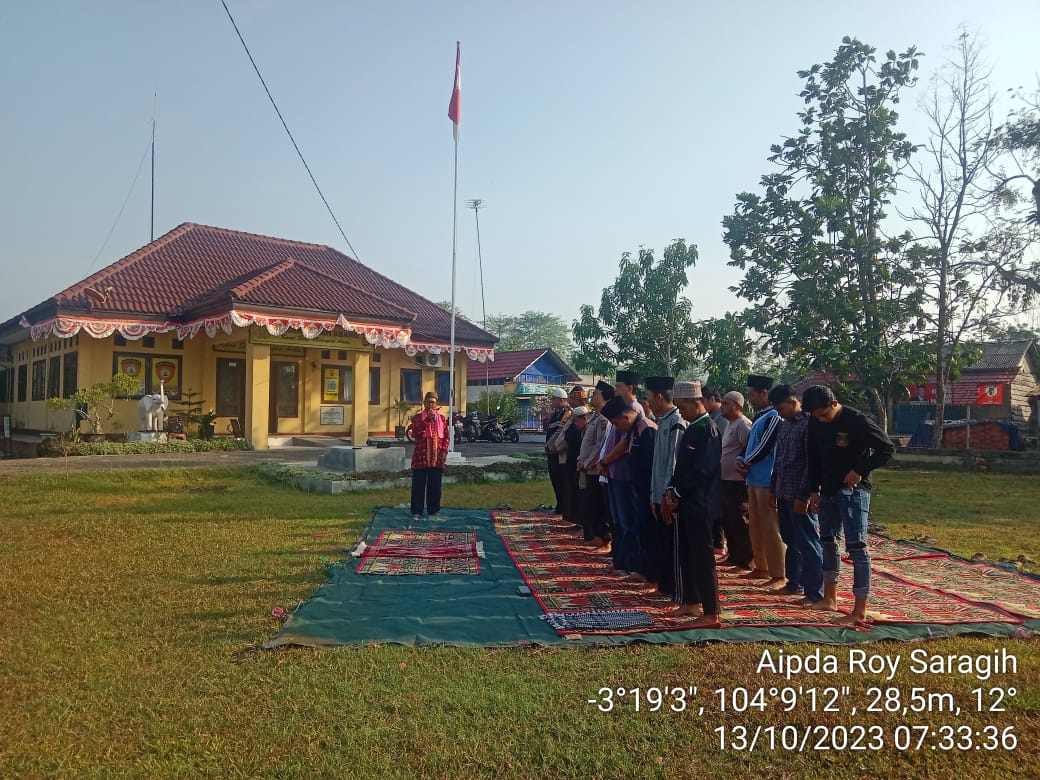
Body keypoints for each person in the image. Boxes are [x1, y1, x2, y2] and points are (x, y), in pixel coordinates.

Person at [802, 384, 895, 625]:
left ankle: (859, 610)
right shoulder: (814, 422)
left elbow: (887, 448)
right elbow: (812, 456)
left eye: (824, 415)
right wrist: (813, 490)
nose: (821, 420)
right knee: (828, 542)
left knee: (857, 548)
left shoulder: (857, 421)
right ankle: (829, 598)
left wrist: (859, 471)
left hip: (853, 491)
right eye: (817, 417)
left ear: (834, 404)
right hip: (827, 490)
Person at [661, 381, 723, 628]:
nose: (681, 411)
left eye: (683, 407)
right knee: (687, 553)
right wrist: (671, 490)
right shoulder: (692, 428)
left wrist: (676, 492)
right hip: (686, 502)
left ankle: (711, 612)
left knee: (702, 556)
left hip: (701, 503)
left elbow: (702, 470)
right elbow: (682, 466)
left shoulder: (708, 430)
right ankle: (690, 601)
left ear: (697, 403)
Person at [767, 384, 823, 603]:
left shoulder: (810, 425)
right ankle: (795, 583)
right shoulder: (785, 425)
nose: (779, 414)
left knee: (808, 541)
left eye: (781, 409)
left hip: (800, 494)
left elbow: (811, 465)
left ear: (793, 402)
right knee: (790, 539)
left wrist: (805, 495)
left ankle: (814, 592)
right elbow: (779, 460)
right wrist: (773, 489)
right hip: (783, 490)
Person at [603, 394, 658, 586]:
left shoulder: (647, 430)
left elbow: (652, 465)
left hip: (649, 492)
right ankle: (640, 569)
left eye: (617, 424)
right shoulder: (634, 430)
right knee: (637, 529)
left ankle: (650, 573)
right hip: (638, 489)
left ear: (625, 418)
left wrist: (649, 491)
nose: (618, 429)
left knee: (646, 532)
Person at [737, 374, 785, 589]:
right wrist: (741, 459)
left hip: (767, 479)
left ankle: (779, 574)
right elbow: (748, 445)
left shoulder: (775, 416)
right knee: (755, 526)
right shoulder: (758, 417)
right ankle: (761, 567)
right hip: (754, 478)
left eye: (752, 395)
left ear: (765, 393)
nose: (750, 400)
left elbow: (765, 446)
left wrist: (746, 461)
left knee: (770, 527)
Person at [599, 371, 643, 575]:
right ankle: (620, 560)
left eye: (618, 386)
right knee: (617, 520)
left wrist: (605, 461)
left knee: (627, 521)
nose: (615, 390)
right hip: (614, 472)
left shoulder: (633, 410)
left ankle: (630, 564)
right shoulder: (618, 409)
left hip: (624, 474)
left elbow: (625, 444)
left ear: (630, 388)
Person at [647, 376, 685, 596]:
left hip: (668, 497)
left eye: (650, 396)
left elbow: (673, 463)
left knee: (671, 545)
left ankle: (672, 588)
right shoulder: (663, 420)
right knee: (661, 542)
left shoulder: (676, 422)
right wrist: (654, 492)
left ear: (659, 397)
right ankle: (664, 585)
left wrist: (666, 495)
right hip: (658, 494)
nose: (648, 401)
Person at [718, 391, 754, 573]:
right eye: (722, 403)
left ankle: (745, 561)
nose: (721, 406)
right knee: (729, 520)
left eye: (726, 403)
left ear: (738, 406)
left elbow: (749, 449)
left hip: (738, 482)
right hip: (726, 480)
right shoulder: (729, 424)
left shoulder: (743, 424)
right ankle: (733, 555)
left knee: (740, 521)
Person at [578, 381, 613, 550]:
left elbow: (600, 445)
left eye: (596, 394)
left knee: (598, 506)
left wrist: (587, 463)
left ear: (604, 398)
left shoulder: (604, 419)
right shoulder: (595, 417)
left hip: (594, 469)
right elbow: (587, 443)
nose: (592, 397)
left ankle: (603, 539)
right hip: (588, 468)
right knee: (590, 505)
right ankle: (596, 536)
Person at [406, 391, 449, 519]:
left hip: (437, 458)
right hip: (421, 457)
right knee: (418, 485)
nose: (430, 405)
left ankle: (433, 510)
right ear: (424, 403)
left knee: (435, 486)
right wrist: (427, 420)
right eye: (428, 402)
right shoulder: (418, 418)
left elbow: (446, 436)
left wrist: (444, 451)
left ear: (436, 405)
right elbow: (415, 433)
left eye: (433, 402)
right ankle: (416, 512)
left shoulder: (441, 418)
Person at [702, 386, 727, 554]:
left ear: (711, 399)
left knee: (718, 509)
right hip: (713, 471)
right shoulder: (712, 417)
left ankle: (719, 544)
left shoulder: (722, 419)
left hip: (720, 471)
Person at [544, 387, 571, 514]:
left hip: (559, 452)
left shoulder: (567, 412)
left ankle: (564, 507)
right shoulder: (556, 413)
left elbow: (561, 433)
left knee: (562, 482)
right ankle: (560, 505)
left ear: (561, 399)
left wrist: (553, 446)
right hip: (551, 451)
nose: (551, 401)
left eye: (554, 399)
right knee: (555, 480)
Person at [563, 405, 589, 530]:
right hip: (574, 463)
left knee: (583, 496)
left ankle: (584, 523)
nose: (575, 424)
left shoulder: (590, 428)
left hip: (586, 466)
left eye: (577, 421)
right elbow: (567, 436)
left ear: (584, 418)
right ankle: (578, 520)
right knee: (573, 493)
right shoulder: (576, 429)